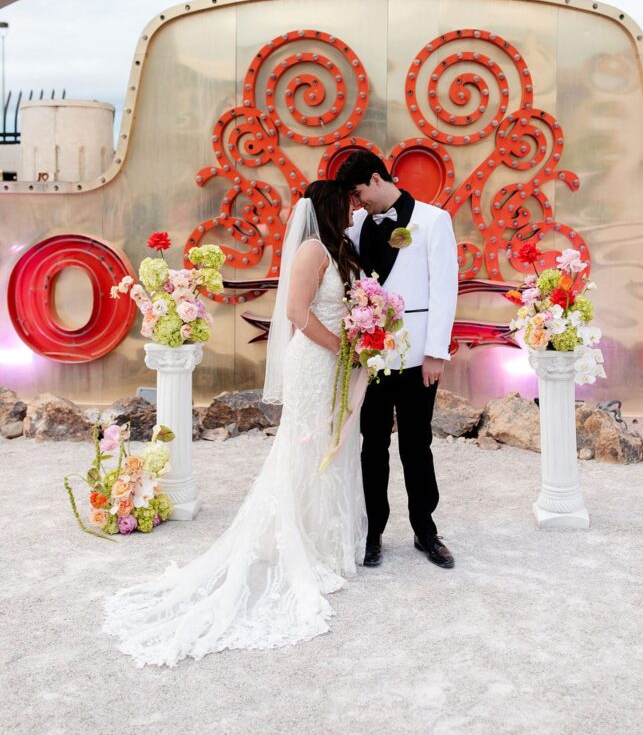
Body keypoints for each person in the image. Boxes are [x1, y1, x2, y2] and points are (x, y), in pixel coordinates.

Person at [102, 180, 367, 667]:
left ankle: (324, 536)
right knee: (305, 447)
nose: (355, 210)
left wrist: (362, 335)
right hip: (316, 361)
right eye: (349, 203)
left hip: (338, 361)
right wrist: (344, 348)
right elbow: (295, 313)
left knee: (334, 444)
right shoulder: (311, 250)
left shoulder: (339, 248)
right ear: (332, 207)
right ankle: (298, 540)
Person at [336, 151, 459, 570]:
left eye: (357, 194)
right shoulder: (354, 226)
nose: (356, 204)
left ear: (375, 179)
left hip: (417, 356)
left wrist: (436, 354)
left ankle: (426, 529)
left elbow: (445, 289)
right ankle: (373, 532)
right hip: (369, 357)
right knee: (373, 446)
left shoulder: (432, 220)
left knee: (416, 444)